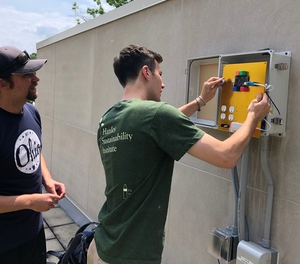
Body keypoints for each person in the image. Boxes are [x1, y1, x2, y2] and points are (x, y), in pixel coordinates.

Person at [88, 44, 270, 264]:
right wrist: (253, 117)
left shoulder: (109, 118)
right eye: (160, 74)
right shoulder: (155, 114)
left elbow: (157, 127)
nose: (163, 83)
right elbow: (227, 156)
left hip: (102, 245)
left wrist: (200, 101)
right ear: (146, 72)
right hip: (131, 255)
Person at [0, 46, 66, 264]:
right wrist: (30, 201)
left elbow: (34, 151)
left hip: (34, 233)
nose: (35, 79)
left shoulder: (31, 112)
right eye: (26, 75)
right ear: (2, 83)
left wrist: (47, 179)